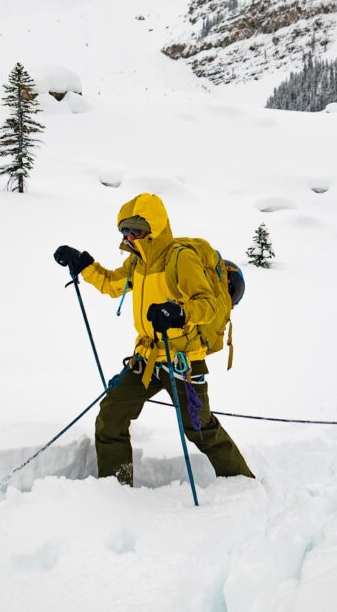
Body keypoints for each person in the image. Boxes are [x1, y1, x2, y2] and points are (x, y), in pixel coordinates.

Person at [54, 192, 254, 486]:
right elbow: (112, 284)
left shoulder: (180, 258)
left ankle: (242, 481)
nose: (130, 237)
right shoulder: (138, 264)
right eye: (125, 230)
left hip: (183, 361)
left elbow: (208, 304)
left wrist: (179, 312)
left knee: (198, 427)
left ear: (155, 228)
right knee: (111, 416)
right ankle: (116, 485)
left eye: (136, 229)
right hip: (147, 359)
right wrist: (83, 264)